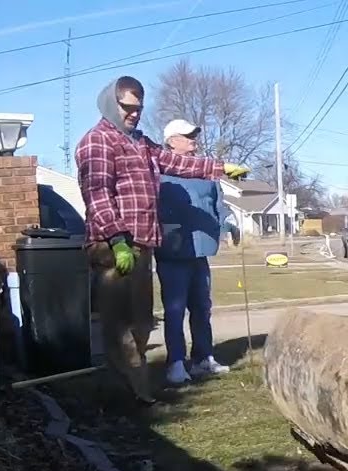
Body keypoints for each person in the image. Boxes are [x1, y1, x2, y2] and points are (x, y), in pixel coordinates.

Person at [75, 75, 248, 404]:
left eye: (139, 108)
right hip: (114, 246)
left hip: (141, 245)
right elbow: (96, 195)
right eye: (128, 107)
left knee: (141, 322)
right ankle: (129, 396)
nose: (134, 114)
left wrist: (222, 168)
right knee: (119, 324)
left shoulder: (141, 142)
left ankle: (137, 390)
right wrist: (116, 239)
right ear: (112, 103)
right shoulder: (96, 141)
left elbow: (178, 162)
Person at [155, 118, 240, 385]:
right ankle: (176, 363)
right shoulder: (159, 172)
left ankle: (203, 358)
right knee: (175, 309)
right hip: (173, 251)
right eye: (187, 135)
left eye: (194, 135)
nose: (194, 139)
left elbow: (218, 204)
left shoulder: (206, 172)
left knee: (202, 307)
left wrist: (230, 223)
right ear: (171, 141)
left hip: (200, 250)